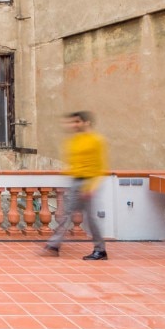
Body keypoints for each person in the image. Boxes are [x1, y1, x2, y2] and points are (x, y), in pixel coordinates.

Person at [41, 111, 109, 259]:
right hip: (75, 181)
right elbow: (74, 164)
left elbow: (101, 167)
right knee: (65, 214)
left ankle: (100, 250)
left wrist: (91, 187)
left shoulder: (96, 140)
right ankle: (54, 244)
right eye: (73, 122)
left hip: (89, 182)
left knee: (91, 219)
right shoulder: (73, 141)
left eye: (77, 122)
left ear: (87, 123)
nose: (74, 125)